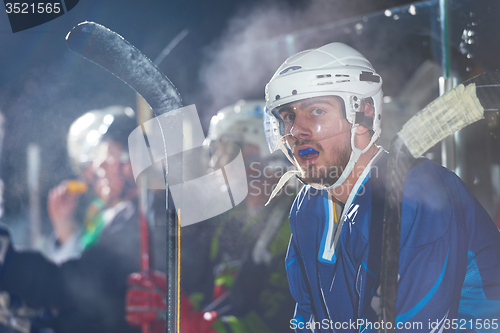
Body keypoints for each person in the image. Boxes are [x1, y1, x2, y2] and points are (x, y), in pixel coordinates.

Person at [263, 42, 500, 332]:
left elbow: (417, 326)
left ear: (363, 116)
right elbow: (308, 318)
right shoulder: (307, 205)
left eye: (316, 111)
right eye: (287, 116)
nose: (295, 130)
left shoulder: (420, 194)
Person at [0, 106, 144, 333]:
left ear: (132, 161)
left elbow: (75, 288)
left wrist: (8, 262)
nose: (96, 169)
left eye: (107, 158)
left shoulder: (137, 220)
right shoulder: (119, 216)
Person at [181, 100, 297, 333]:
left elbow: (281, 318)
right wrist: (170, 305)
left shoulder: (296, 219)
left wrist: (207, 328)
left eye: (224, 151)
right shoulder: (229, 219)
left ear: (257, 152)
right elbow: (204, 287)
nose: (215, 164)